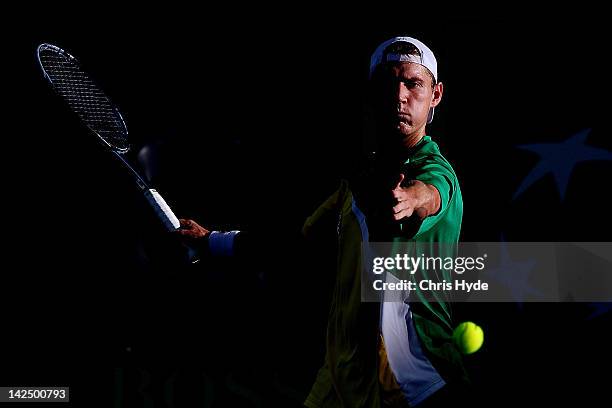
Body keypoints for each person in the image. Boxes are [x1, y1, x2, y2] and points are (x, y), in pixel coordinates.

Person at [178, 36, 468, 407]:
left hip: (410, 380)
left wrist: (410, 199)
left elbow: (431, 194)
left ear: (436, 95)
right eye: (388, 83)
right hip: (342, 376)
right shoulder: (357, 183)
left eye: (414, 83)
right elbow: (293, 243)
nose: (400, 95)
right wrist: (211, 241)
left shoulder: (436, 172)